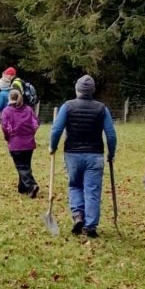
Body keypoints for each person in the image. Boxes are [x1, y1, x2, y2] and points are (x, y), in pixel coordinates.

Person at [49, 75, 118, 238]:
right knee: (92, 190)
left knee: (75, 185)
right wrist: (111, 152)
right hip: (95, 155)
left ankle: (78, 215)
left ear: (77, 89)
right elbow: (111, 134)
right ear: (92, 91)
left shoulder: (67, 106)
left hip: (72, 154)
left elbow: (57, 129)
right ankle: (90, 226)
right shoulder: (102, 109)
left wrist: (53, 146)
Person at [0, 89, 41, 197]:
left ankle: (31, 186)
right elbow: (35, 123)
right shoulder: (28, 109)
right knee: (26, 165)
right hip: (29, 143)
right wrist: (31, 134)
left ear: (9, 98)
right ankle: (22, 188)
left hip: (16, 143)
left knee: (21, 166)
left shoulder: (6, 111)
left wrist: (8, 138)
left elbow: (5, 127)